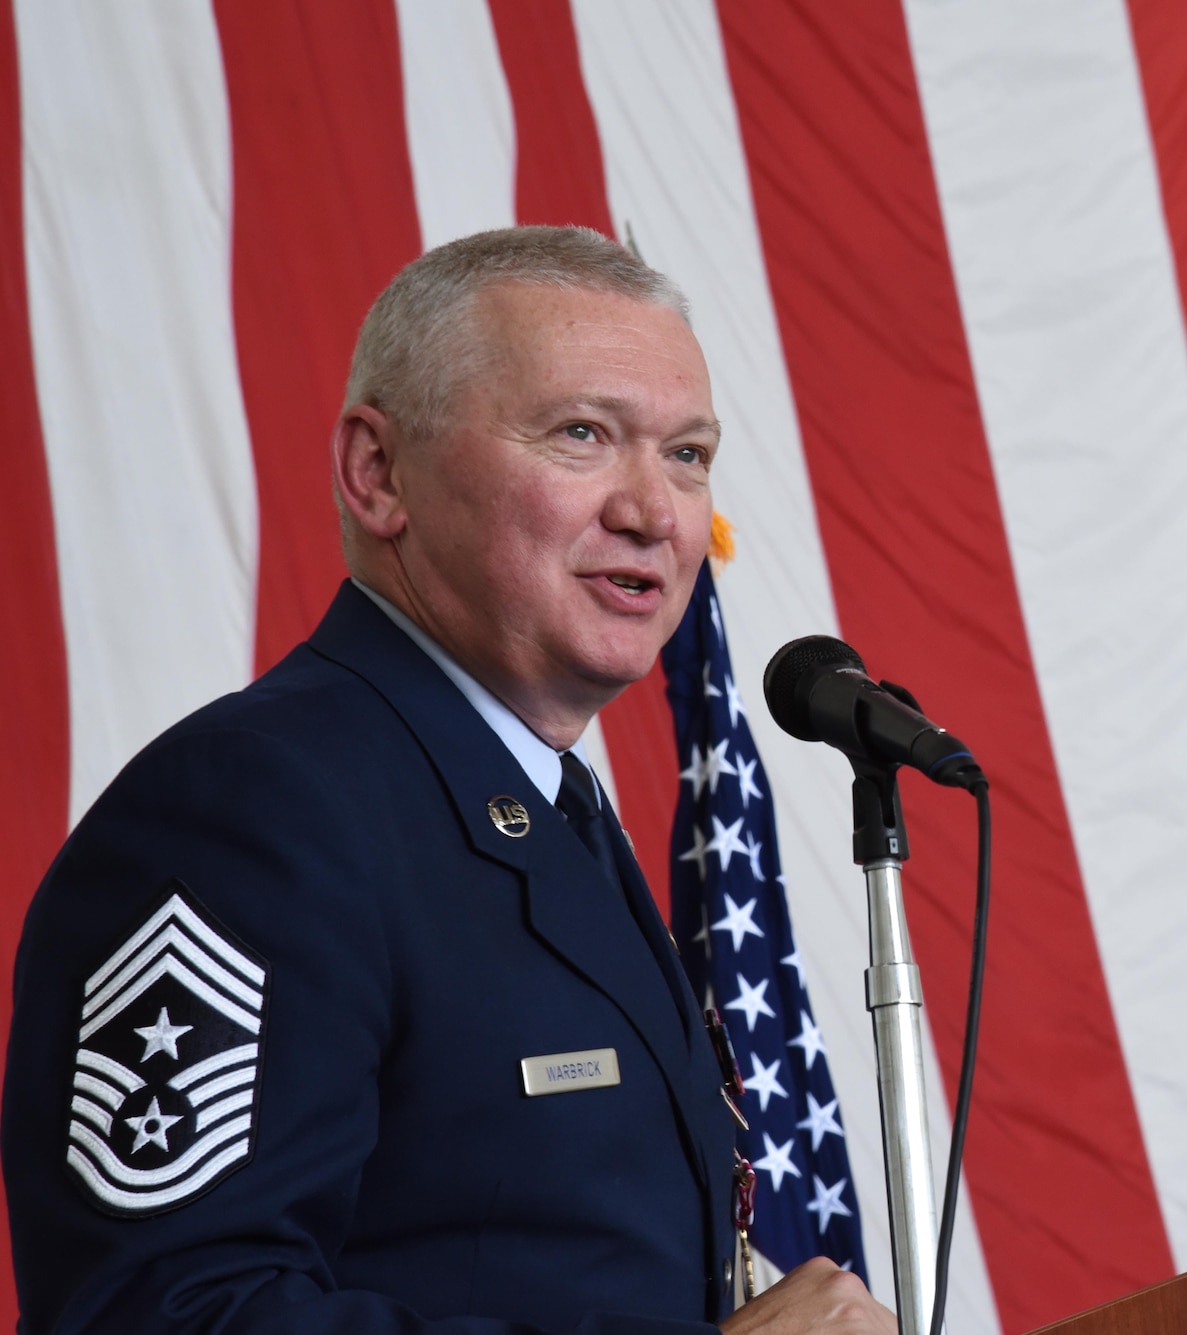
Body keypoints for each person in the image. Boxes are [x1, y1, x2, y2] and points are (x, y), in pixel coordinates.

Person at [1, 227, 897, 1335]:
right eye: (582, 434)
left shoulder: (542, 808)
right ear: (377, 475)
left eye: (687, 453)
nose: (656, 512)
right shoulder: (246, 814)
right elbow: (166, 1314)